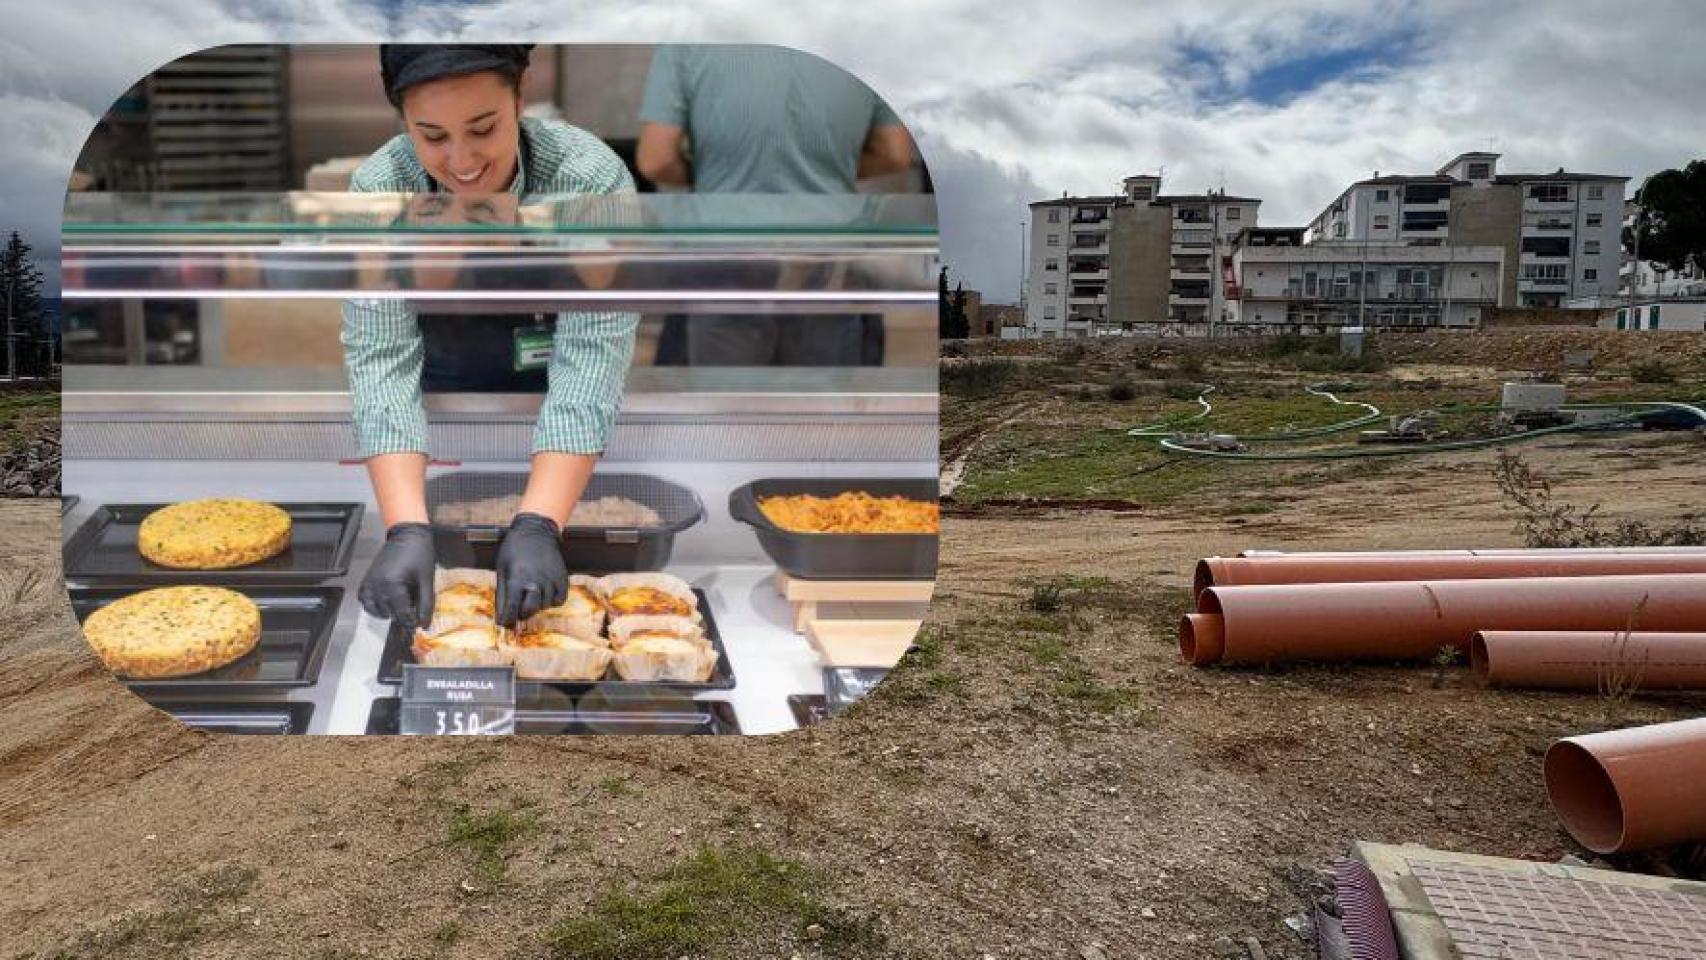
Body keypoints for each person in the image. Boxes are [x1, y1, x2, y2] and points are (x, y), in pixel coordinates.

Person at [342, 44, 637, 630]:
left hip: (566, 409)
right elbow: (382, 357)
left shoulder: (588, 175)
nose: (461, 159)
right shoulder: (379, 187)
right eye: (432, 136)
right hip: (438, 408)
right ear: (403, 124)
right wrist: (406, 526)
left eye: (483, 128)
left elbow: (593, 350)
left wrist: (539, 523)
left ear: (521, 98)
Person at [634, 44, 913, 366]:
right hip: (828, 261)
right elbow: (895, 153)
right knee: (821, 411)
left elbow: (655, 159)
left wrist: (715, 170)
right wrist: (833, 168)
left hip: (725, 260)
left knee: (725, 411)